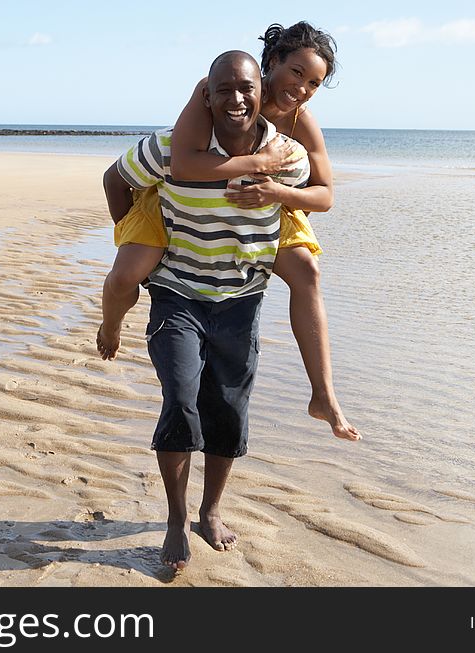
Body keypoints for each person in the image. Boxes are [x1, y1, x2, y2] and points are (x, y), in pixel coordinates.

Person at [104, 50, 322, 570]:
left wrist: (275, 189)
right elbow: (115, 179)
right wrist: (137, 234)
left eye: (245, 88)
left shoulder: (288, 158)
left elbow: (322, 193)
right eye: (223, 89)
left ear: (259, 91)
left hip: (241, 302)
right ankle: (177, 520)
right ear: (206, 94)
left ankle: (211, 510)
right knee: (181, 402)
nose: (236, 98)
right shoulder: (165, 149)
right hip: (176, 295)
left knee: (227, 412)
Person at [98, 22, 361, 442]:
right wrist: (128, 229)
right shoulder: (218, 89)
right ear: (272, 62)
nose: (303, 88)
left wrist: (276, 190)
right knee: (130, 272)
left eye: (314, 83)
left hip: (267, 199)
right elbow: (183, 164)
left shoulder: (300, 120)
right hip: (185, 193)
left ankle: (323, 395)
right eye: (297, 73)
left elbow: (325, 196)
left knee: (308, 273)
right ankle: (112, 324)